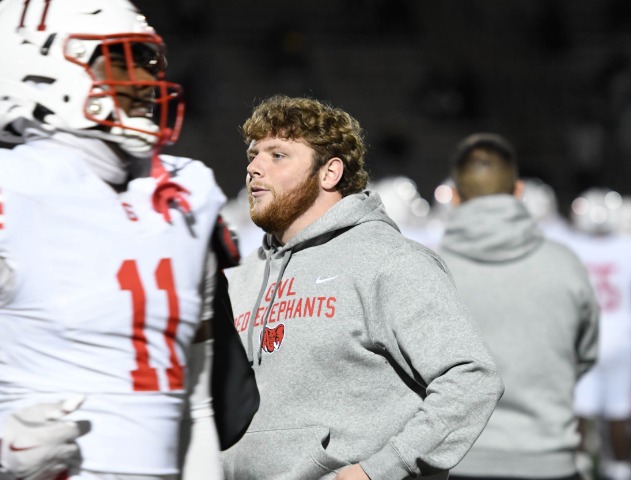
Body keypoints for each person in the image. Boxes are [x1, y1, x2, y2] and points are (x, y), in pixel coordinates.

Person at [220, 94, 505, 480]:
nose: (254, 168)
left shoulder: (390, 261)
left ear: (329, 173)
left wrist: (381, 469)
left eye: (278, 155)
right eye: (253, 155)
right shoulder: (242, 275)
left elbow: (472, 378)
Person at [0, 1, 226, 479]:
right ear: (38, 66)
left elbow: (195, 404)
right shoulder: (12, 189)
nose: (146, 82)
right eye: (122, 61)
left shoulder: (187, 194)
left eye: (148, 62)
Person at [435, 133, 600, 480]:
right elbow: (584, 354)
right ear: (519, 191)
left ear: (454, 196)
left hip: (456, 458)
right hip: (547, 458)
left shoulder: (429, 269)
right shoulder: (565, 265)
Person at [563, 188, 631, 480]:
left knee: (580, 411)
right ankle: (621, 469)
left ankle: (580, 468)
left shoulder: (570, 245)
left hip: (585, 335)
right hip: (623, 337)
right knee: (619, 413)